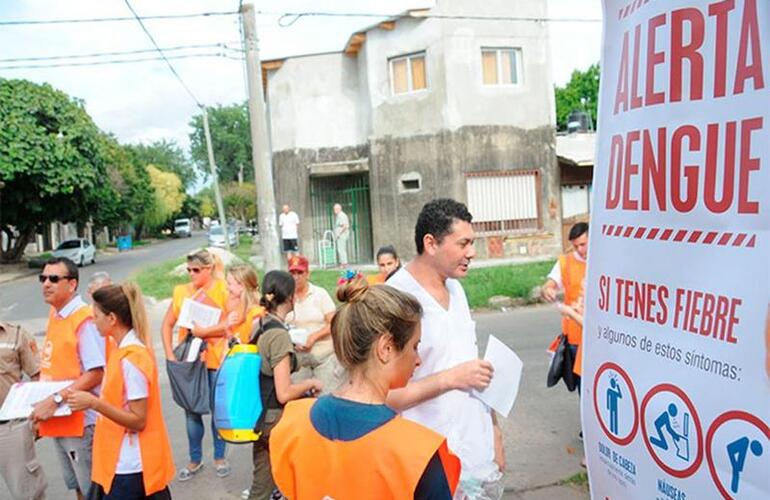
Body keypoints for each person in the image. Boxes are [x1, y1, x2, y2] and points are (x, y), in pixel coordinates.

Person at [270, 277, 461, 499]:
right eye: (414, 346)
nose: (418, 360)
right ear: (386, 347)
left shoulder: (293, 423)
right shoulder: (416, 452)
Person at [387, 199, 504, 499]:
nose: (472, 253)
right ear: (431, 243)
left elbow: (471, 367)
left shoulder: (457, 289)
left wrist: (494, 435)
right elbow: (383, 397)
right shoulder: (395, 299)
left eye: (472, 243)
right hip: (426, 464)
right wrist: (451, 379)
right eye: (463, 243)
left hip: (476, 456)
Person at [67, 283, 174, 499]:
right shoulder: (121, 350)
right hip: (119, 460)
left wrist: (93, 403)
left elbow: (138, 420)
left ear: (112, 319)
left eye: (96, 315)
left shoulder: (131, 359)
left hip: (131, 465)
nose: (92, 320)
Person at [32, 257, 107, 499]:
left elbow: (96, 372)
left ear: (72, 284)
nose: (46, 284)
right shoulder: (56, 313)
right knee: (76, 484)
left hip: (81, 422)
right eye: (43, 278)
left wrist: (54, 400)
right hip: (59, 418)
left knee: (92, 488)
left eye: (54, 279)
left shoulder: (83, 319)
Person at [246, 270, 322, 500]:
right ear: (290, 298)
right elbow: (284, 392)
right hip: (274, 419)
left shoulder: (259, 324)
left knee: (263, 482)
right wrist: (310, 382)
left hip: (259, 414)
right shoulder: (278, 335)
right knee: (298, 477)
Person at [160, 249, 230, 481]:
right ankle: (194, 459)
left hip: (215, 358)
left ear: (209, 269)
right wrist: (170, 354)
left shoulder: (222, 289)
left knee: (217, 410)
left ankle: (219, 457)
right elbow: (166, 325)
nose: (191, 274)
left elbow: (231, 322)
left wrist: (204, 331)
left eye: (196, 270)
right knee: (191, 412)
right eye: (189, 270)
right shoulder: (181, 292)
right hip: (189, 360)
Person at [0, 320, 47, 500]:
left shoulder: (16, 334)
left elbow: (38, 376)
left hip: (10, 426)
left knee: (27, 493)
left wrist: (37, 417)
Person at [285, 255, 344, 393]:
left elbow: (334, 323)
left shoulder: (319, 294)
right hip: (297, 356)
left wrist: (314, 337)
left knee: (326, 394)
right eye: (292, 273)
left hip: (323, 354)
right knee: (298, 399)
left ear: (308, 274)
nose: (296, 277)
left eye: (300, 273)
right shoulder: (286, 296)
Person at [541, 222, 588, 385]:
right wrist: (548, 289)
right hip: (575, 337)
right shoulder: (566, 263)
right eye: (576, 246)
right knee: (582, 386)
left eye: (583, 244)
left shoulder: (603, 261)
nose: (580, 250)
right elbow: (550, 283)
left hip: (599, 337)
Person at [225, 265, 265, 344]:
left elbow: (254, 344)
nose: (227, 287)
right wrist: (227, 328)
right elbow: (234, 343)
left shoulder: (257, 313)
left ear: (242, 286)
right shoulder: (238, 311)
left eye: (229, 284)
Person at [333, 203, 350, 267]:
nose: (334, 210)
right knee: (341, 249)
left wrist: (339, 234)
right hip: (341, 234)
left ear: (338, 209)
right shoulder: (339, 215)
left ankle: (344, 263)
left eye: (335, 209)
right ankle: (343, 263)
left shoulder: (341, 215)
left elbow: (344, 226)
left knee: (341, 249)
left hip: (342, 235)